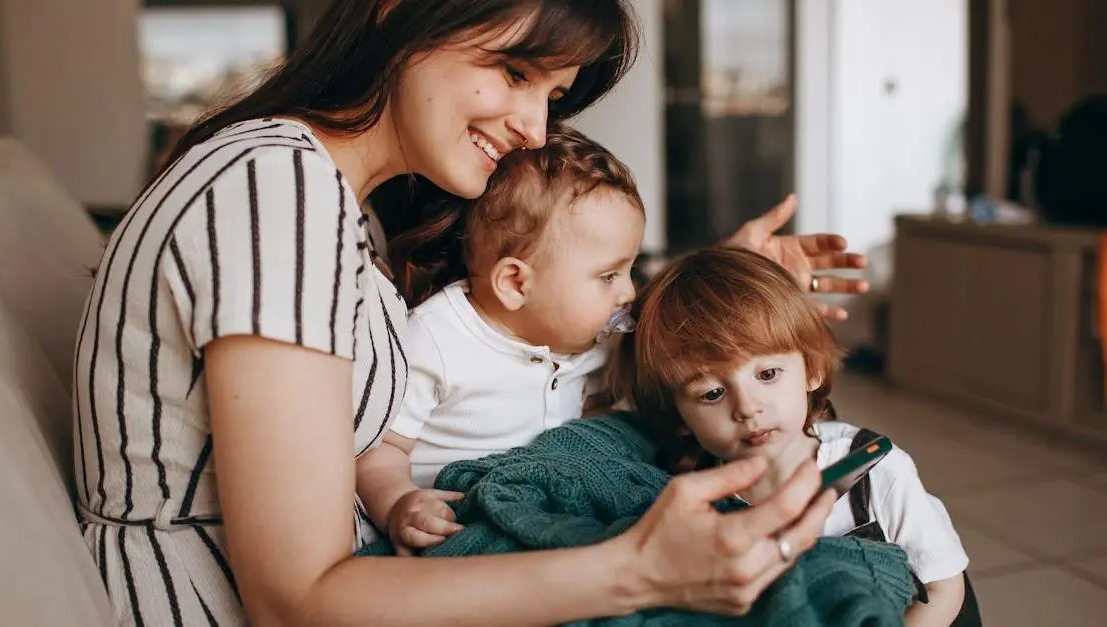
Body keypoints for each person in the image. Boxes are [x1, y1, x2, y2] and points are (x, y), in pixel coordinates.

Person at [73, 1, 867, 624]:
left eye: (552, 95)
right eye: (516, 71)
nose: (533, 127)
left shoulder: (333, 200)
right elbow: (295, 600)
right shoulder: (276, 190)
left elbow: (529, 321)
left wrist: (705, 301)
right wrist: (639, 569)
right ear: (401, 11)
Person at [608, 247, 973, 627]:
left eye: (767, 375)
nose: (747, 407)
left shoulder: (877, 471)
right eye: (712, 393)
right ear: (678, 417)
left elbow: (945, 588)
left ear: (812, 370)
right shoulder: (691, 497)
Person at [357, 123, 643, 554]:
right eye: (609, 275)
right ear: (515, 282)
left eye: (629, 270)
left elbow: (595, 416)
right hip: (464, 521)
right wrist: (399, 504)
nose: (628, 292)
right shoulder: (437, 339)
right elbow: (380, 450)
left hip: (551, 510)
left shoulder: (591, 340)